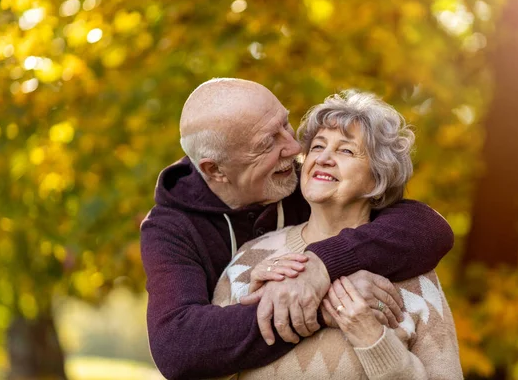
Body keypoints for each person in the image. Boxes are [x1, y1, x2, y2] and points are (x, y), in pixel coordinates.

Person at [140, 79, 454, 379]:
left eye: (285, 125)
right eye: (267, 143)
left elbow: (428, 228)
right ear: (215, 169)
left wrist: (321, 265)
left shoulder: (298, 177)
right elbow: (178, 346)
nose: (294, 148)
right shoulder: (175, 231)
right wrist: (323, 303)